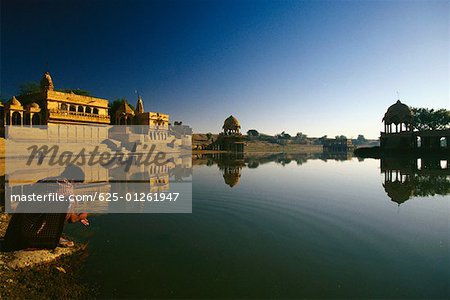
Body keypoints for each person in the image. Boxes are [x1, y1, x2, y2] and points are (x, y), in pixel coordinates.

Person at [2, 164, 89, 251]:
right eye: (78, 184)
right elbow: (71, 219)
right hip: (31, 235)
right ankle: (44, 239)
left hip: (18, 228)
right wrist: (81, 216)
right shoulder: (68, 193)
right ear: (73, 179)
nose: (77, 187)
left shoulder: (45, 181)